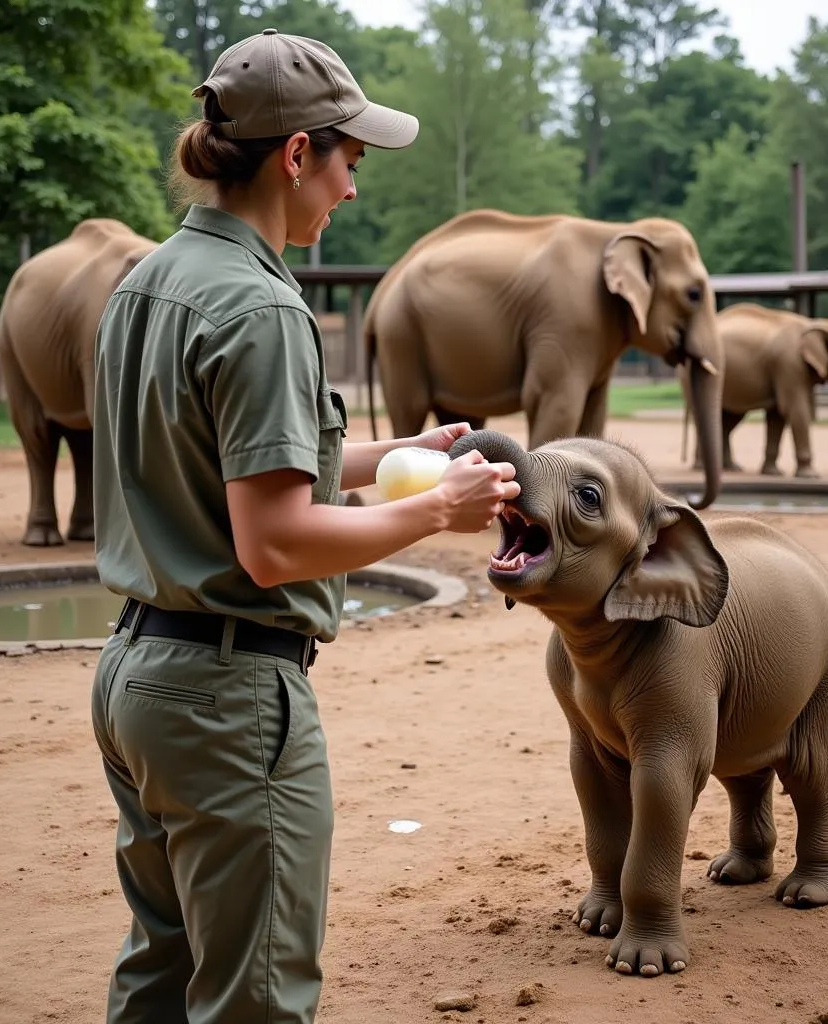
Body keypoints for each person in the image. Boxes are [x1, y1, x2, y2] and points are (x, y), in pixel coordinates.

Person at [88, 28, 519, 1024]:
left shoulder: (149, 283)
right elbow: (273, 542)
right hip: (227, 698)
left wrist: (391, 452)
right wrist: (435, 510)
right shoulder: (263, 309)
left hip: (135, 681)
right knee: (255, 998)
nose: (352, 190)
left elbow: (211, 457)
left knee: (160, 969)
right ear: (295, 156)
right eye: (349, 162)